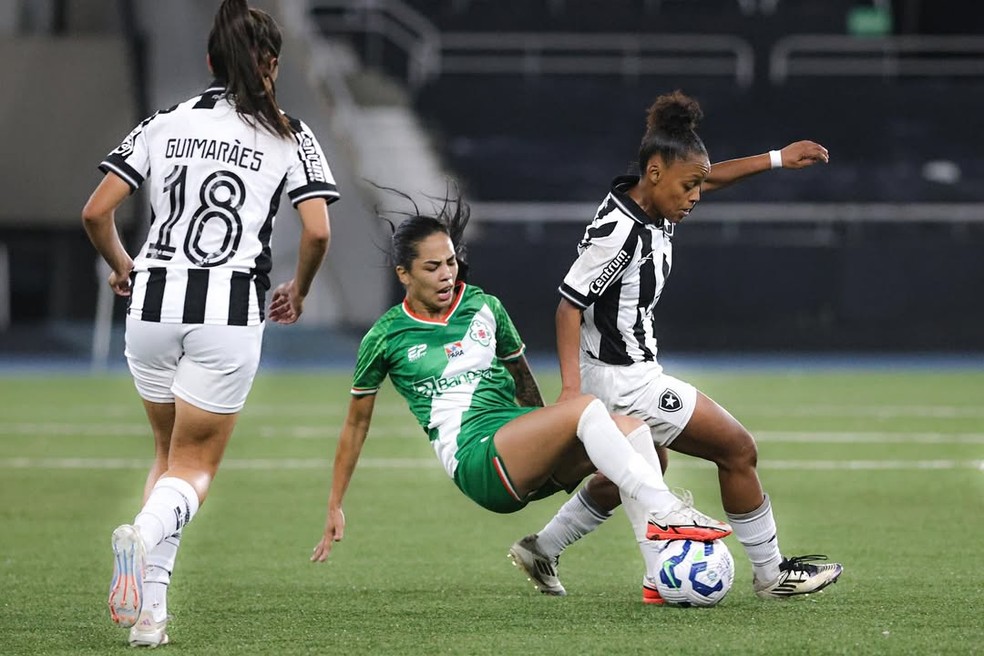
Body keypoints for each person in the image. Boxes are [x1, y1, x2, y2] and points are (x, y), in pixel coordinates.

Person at [509, 90, 844, 603]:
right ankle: (771, 572)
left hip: (624, 371)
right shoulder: (621, 232)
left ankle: (542, 547)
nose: (696, 196)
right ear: (657, 172)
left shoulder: (654, 199)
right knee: (737, 449)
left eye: (699, 186)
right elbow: (567, 306)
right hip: (626, 380)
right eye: (689, 186)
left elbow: (708, 174)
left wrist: (777, 159)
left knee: (646, 469)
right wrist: (572, 395)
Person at [82, 0, 338, 646]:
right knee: (194, 469)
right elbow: (317, 230)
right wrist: (299, 290)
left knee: (168, 456)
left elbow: (95, 213)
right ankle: (140, 535)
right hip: (226, 312)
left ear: (210, 63)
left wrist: (123, 265)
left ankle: (150, 619)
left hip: (152, 305)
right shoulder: (289, 133)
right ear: (271, 65)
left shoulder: (165, 122)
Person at [310, 195, 732, 570]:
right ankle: (665, 509)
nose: (445, 274)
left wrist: (551, 439)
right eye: (432, 267)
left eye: (451, 262)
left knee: (642, 444)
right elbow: (356, 425)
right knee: (586, 407)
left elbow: (523, 382)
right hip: (476, 459)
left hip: (515, 445)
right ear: (404, 274)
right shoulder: (385, 336)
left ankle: (649, 570)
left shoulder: (484, 306)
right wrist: (334, 504)